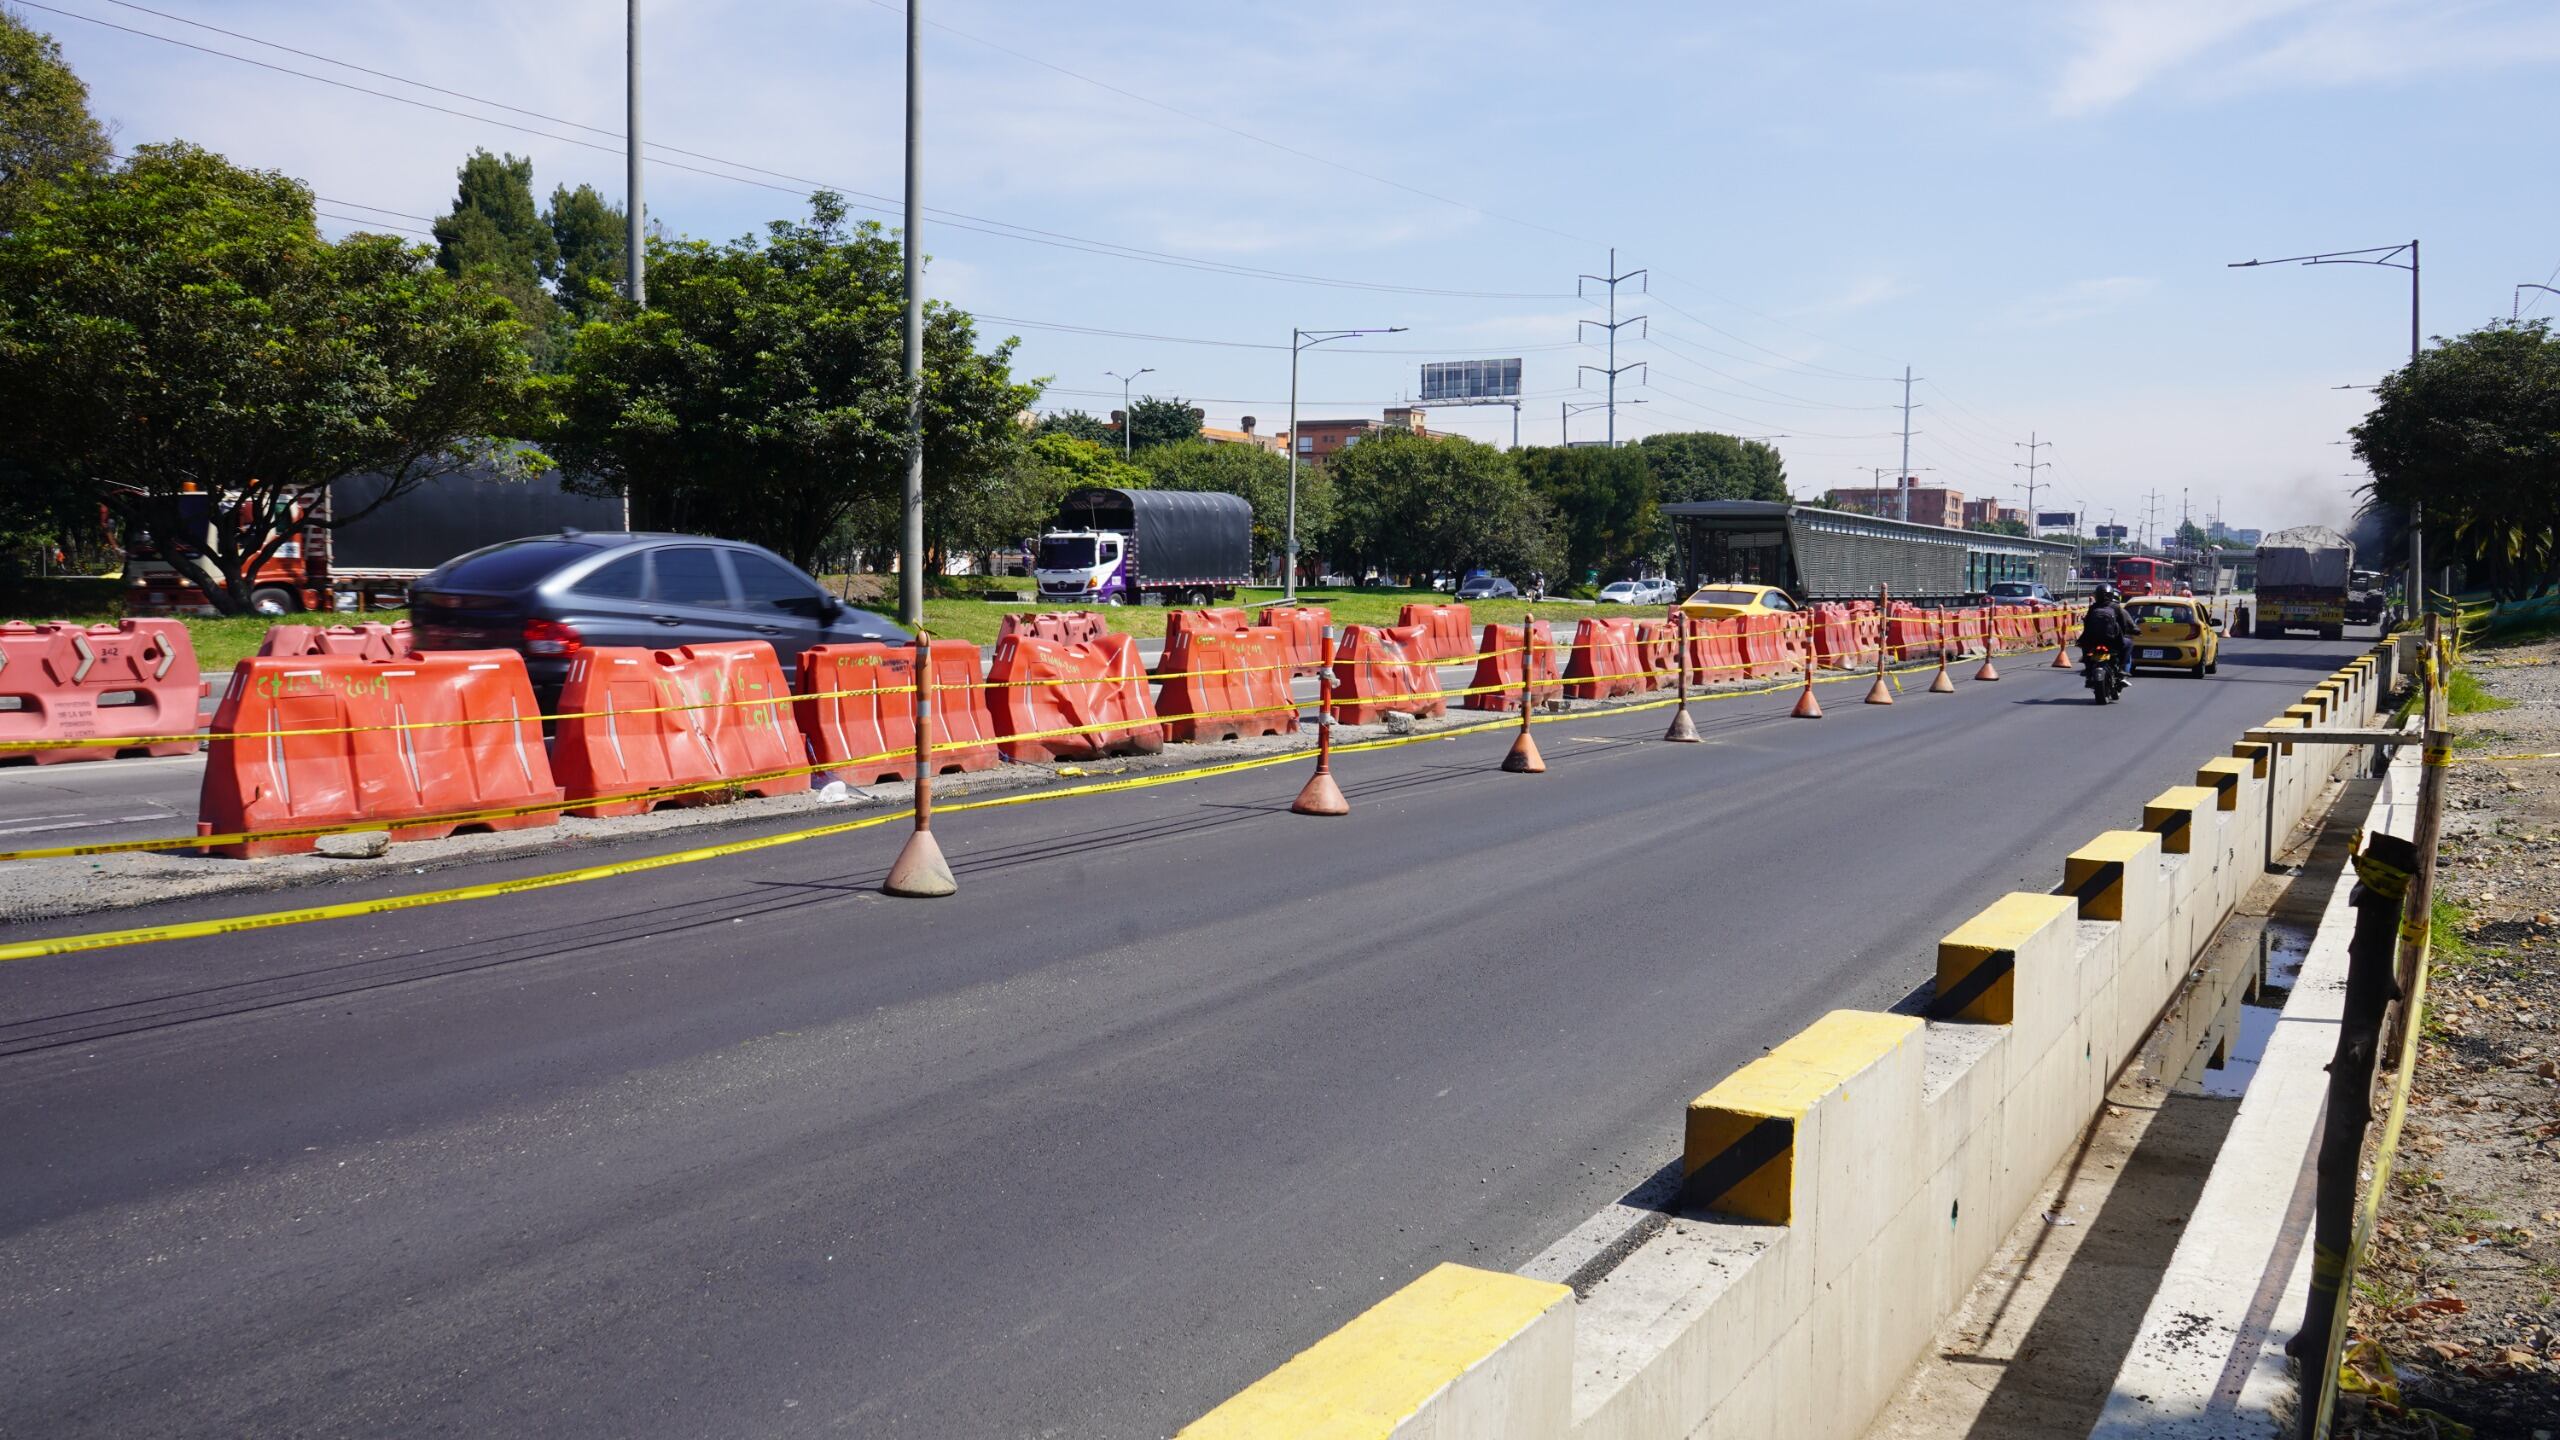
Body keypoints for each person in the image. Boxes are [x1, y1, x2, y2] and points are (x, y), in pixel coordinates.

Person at [2078, 586, 2138, 684]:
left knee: (2084, 646)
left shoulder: (2093, 607)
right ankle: (2122, 669)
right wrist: (2126, 633)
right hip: (2112, 640)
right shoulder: (2116, 607)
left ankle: (2088, 669)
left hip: (2094, 640)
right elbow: (2123, 624)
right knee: (2129, 644)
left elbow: (2087, 623)